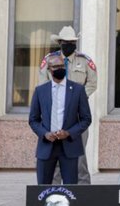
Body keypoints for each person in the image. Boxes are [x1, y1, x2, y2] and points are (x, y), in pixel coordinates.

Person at [38, 25, 98, 185]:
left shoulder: (85, 61)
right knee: (54, 156)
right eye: (66, 42)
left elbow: (92, 83)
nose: (69, 44)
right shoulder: (49, 60)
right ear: (60, 43)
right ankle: (55, 191)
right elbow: (42, 85)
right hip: (55, 115)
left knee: (79, 156)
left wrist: (76, 100)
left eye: (72, 41)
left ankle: (82, 192)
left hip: (77, 116)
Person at [28, 55, 92, 185]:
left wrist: (68, 133)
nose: (60, 68)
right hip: (46, 146)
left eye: (62, 66)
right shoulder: (40, 91)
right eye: (56, 66)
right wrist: (45, 134)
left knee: (70, 190)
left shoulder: (78, 90)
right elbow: (33, 119)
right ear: (49, 70)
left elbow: (86, 119)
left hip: (69, 146)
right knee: (43, 189)